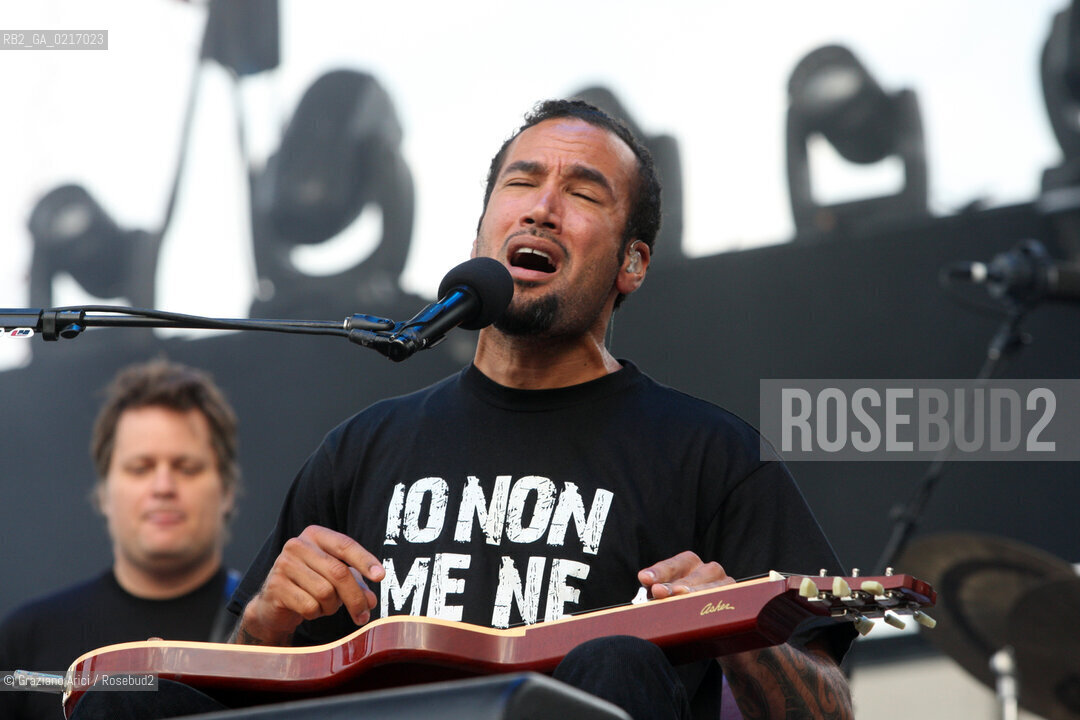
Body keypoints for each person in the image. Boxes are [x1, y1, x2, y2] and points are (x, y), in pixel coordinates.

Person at [74, 100, 855, 720]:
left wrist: (736, 627)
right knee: (124, 697)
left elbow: (828, 711)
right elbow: (229, 681)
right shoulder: (362, 450)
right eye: (520, 183)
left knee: (616, 660)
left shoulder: (713, 455)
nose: (542, 208)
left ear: (634, 263)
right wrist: (264, 625)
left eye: (583, 192)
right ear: (483, 228)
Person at [0, 359, 242, 720]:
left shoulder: (275, 633)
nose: (163, 487)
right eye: (140, 468)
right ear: (102, 494)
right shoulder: (24, 642)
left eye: (187, 468)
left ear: (227, 491)